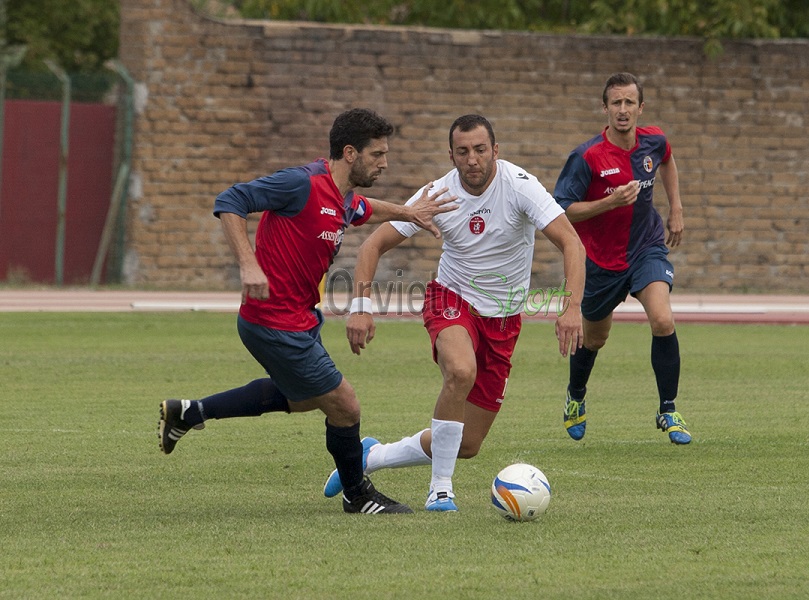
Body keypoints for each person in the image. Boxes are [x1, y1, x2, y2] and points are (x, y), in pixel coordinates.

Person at [157, 108, 458, 515]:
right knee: (345, 404)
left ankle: (192, 412)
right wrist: (248, 263)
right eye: (377, 155)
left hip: (297, 319)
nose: (384, 163)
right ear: (350, 153)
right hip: (273, 323)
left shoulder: (342, 196)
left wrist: (408, 213)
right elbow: (231, 200)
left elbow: (363, 209)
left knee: (302, 399)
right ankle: (358, 494)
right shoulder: (301, 183)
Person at [322, 114, 586, 512]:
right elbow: (371, 247)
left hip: (504, 319)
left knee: (467, 444)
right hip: (451, 299)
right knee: (460, 370)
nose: (472, 159)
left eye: (480, 150)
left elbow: (571, 243)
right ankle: (440, 489)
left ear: (495, 150)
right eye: (462, 152)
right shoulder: (438, 194)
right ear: (451, 155)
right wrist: (360, 308)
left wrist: (572, 308)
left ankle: (369, 457)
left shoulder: (520, 187)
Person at [553, 72, 691, 444]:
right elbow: (561, 210)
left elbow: (668, 159)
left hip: (646, 248)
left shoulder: (654, 140)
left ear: (640, 107)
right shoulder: (587, 156)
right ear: (606, 108)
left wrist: (676, 208)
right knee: (595, 339)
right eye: (617, 102)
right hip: (600, 260)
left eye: (630, 102)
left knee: (662, 319)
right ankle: (576, 396)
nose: (623, 109)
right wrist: (609, 202)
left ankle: (668, 409)